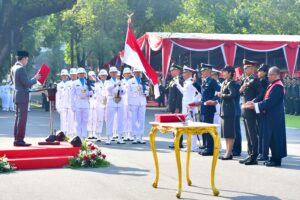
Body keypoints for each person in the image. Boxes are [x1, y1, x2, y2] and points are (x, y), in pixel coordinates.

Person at [245, 66, 287, 167]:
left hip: (274, 117)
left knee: (275, 138)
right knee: (271, 138)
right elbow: (266, 99)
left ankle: (276, 160)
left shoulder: (278, 86)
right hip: (270, 115)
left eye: (270, 75)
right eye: (268, 74)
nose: (268, 76)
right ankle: (273, 158)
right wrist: (255, 103)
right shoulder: (272, 85)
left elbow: (270, 101)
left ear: (277, 75)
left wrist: (255, 105)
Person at [10, 51, 41, 146]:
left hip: (17, 95)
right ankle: (20, 140)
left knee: (18, 118)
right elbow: (27, 84)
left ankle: (16, 138)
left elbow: (20, 82)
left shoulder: (13, 68)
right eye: (27, 59)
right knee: (22, 119)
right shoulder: (21, 69)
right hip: (23, 96)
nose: (27, 61)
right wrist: (36, 78)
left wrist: (31, 79)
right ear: (23, 59)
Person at [239, 59, 264, 165]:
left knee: (252, 133)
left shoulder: (255, 80)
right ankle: (250, 154)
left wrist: (253, 102)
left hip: (251, 110)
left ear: (252, 68)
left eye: (246, 68)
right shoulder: (246, 80)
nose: (244, 70)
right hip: (245, 110)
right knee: (248, 134)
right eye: (244, 68)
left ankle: (254, 156)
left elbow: (261, 93)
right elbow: (243, 94)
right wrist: (241, 90)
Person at [194, 63, 220, 156]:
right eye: (201, 71)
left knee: (209, 128)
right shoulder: (205, 81)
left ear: (209, 71)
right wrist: (195, 83)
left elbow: (220, 91)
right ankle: (206, 145)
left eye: (203, 70)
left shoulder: (212, 81)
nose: (202, 72)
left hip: (209, 108)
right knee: (205, 128)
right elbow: (203, 92)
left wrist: (214, 100)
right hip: (203, 107)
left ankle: (210, 148)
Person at [176, 65, 201, 152]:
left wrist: (193, 102)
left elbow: (200, 93)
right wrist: (178, 85)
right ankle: (190, 145)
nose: (183, 74)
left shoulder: (191, 82)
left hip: (190, 108)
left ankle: (193, 146)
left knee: (191, 126)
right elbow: (185, 93)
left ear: (190, 73)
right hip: (185, 107)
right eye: (183, 72)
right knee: (187, 126)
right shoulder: (186, 82)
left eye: (185, 72)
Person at [217, 65, 237, 160]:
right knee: (225, 133)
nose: (223, 73)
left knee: (230, 133)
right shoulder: (224, 82)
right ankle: (227, 151)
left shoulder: (231, 83)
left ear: (229, 73)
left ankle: (229, 152)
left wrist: (222, 95)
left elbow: (233, 94)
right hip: (224, 109)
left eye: (225, 71)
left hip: (229, 110)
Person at [128, 68, 149, 144]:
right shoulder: (130, 81)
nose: (137, 73)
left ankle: (140, 137)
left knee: (141, 119)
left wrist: (146, 92)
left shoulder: (144, 80)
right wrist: (129, 104)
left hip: (142, 102)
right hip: (133, 102)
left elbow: (147, 90)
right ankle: (134, 137)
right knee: (134, 119)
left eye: (138, 72)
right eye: (136, 72)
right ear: (133, 73)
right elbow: (128, 93)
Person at [105, 66, 126, 145]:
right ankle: (108, 138)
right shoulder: (108, 81)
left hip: (120, 100)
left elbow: (124, 92)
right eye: (112, 72)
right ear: (110, 73)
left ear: (117, 73)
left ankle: (120, 137)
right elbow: (108, 89)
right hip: (111, 100)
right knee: (110, 120)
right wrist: (115, 85)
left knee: (120, 120)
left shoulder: (120, 81)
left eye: (115, 72)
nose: (114, 73)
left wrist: (121, 89)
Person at [71, 67, 91, 139]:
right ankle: (79, 135)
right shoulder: (75, 83)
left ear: (85, 74)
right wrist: (72, 105)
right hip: (78, 103)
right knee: (78, 121)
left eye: (82, 73)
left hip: (86, 103)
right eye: (80, 73)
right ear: (77, 74)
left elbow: (91, 92)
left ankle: (84, 136)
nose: (81, 75)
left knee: (85, 120)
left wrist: (91, 93)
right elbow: (72, 95)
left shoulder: (88, 82)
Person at [167, 64, 184, 149]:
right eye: (171, 70)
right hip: (172, 106)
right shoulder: (172, 80)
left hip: (177, 106)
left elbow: (179, 95)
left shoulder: (179, 80)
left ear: (178, 71)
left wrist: (177, 107)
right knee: (174, 125)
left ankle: (179, 142)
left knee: (178, 125)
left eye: (173, 70)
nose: (172, 72)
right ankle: (175, 141)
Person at [95, 69, 108, 142]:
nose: (103, 76)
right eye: (102, 75)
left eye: (104, 75)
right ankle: (98, 134)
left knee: (107, 119)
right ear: (100, 76)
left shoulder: (109, 83)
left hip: (107, 103)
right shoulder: (96, 84)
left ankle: (108, 135)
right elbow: (95, 94)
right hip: (99, 103)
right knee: (99, 119)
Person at [56, 69, 70, 135]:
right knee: (63, 120)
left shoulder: (71, 84)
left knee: (70, 120)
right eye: (63, 75)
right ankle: (63, 134)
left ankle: (69, 134)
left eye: (65, 75)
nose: (64, 77)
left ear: (67, 76)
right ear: (61, 76)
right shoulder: (59, 85)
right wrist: (57, 106)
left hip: (70, 105)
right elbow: (58, 96)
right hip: (62, 105)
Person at [122, 67, 133, 141]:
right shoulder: (121, 81)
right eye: (126, 73)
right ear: (123, 74)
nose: (127, 74)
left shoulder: (132, 81)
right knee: (124, 118)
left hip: (131, 102)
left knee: (130, 118)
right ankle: (125, 134)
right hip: (123, 102)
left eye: (129, 73)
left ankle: (130, 134)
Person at [87, 71, 98, 140]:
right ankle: (90, 133)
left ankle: (94, 132)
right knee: (89, 118)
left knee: (95, 118)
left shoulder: (97, 83)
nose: (92, 77)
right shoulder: (86, 83)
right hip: (89, 101)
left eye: (93, 75)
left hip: (96, 101)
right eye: (91, 75)